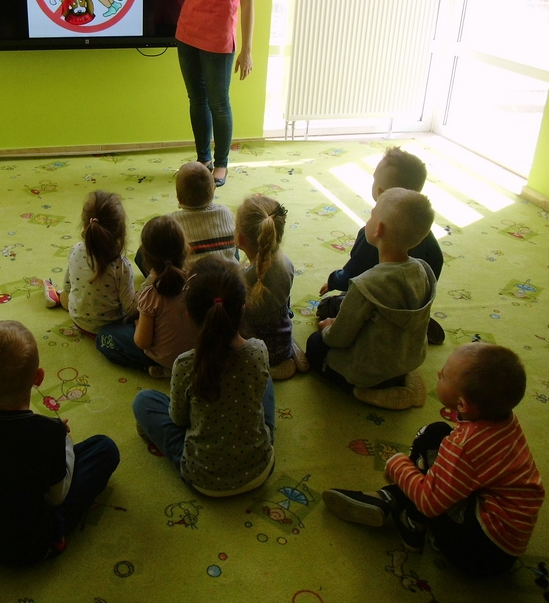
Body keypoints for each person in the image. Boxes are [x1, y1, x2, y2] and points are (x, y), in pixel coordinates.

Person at [322, 343, 544, 577]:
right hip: (503, 545)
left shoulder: (463, 446)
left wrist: (397, 464)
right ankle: (392, 499)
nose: (438, 373)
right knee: (439, 435)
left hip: (476, 552)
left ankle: (410, 519)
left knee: (429, 437)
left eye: (444, 375)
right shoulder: (501, 418)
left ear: (462, 404)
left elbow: (430, 502)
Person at [109, 0, 259, 187]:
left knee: (219, 103)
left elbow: (247, 1)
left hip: (218, 35)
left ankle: (221, 164)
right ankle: (203, 160)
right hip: (188, 30)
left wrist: (247, 50)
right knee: (196, 98)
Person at [0, 321, 120, 565]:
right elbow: (57, 497)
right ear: (38, 377)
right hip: (29, 547)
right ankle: (54, 537)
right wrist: (65, 441)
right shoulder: (49, 432)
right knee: (104, 449)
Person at [133, 256, 275, 497]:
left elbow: (179, 419)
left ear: (189, 314)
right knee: (266, 381)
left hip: (204, 478)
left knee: (143, 401)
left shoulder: (186, 364)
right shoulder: (258, 351)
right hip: (260, 468)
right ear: (243, 307)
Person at [306, 188, 437, 410]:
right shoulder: (423, 270)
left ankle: (361, 391)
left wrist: (327, 329)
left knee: (315, 344)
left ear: (379, 229)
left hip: (368, 371)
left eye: (371, 214)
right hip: (407, 359)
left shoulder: (366, 284)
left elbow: (340, 338)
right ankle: (401, 377)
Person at [318, 146, 445, 344]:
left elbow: (351, 275)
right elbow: (436, 263)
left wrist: (334, 280)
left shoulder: (373, 235)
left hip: (375, 299)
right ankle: (417, 321)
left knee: (326, 307)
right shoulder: (422, 232)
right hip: (409, 301)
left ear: (379, 192)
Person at [96, 215, 198, 378]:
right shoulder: (197, 279)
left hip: (166, 358)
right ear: (186, 249)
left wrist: (139, 324)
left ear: (147, 261)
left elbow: (142, 342)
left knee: (104, 336)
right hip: (196, 356)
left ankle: (157, 369)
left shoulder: (150, 294)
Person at [44, 190, 137, 336]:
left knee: (71, 296)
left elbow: (68, 287)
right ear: (120, 231)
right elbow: (130, 309)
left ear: (85, 225)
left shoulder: (76, 249)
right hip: (110, 329)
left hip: (78, 320)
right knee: (144, 312)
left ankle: (55, 295)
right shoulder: (121, 266)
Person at [236, 194, 307, 381]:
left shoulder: (242, 280)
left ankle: (269, 366)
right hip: (282, 340)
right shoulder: (287, 264)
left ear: (240, 239)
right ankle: (287, 353)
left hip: (256, 351)